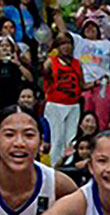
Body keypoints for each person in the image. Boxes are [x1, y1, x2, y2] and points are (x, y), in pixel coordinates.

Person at [42, 34, 84, 167]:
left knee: (70, 138)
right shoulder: (51, 61)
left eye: (69, 43)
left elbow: (82, 84)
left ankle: (68, 165)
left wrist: (96, 83)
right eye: (62, 44)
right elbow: (43, 76)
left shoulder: (77, 63)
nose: (66, 47)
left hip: (73, 104)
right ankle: (54, 166)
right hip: (55, 103)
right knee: (57, 137)